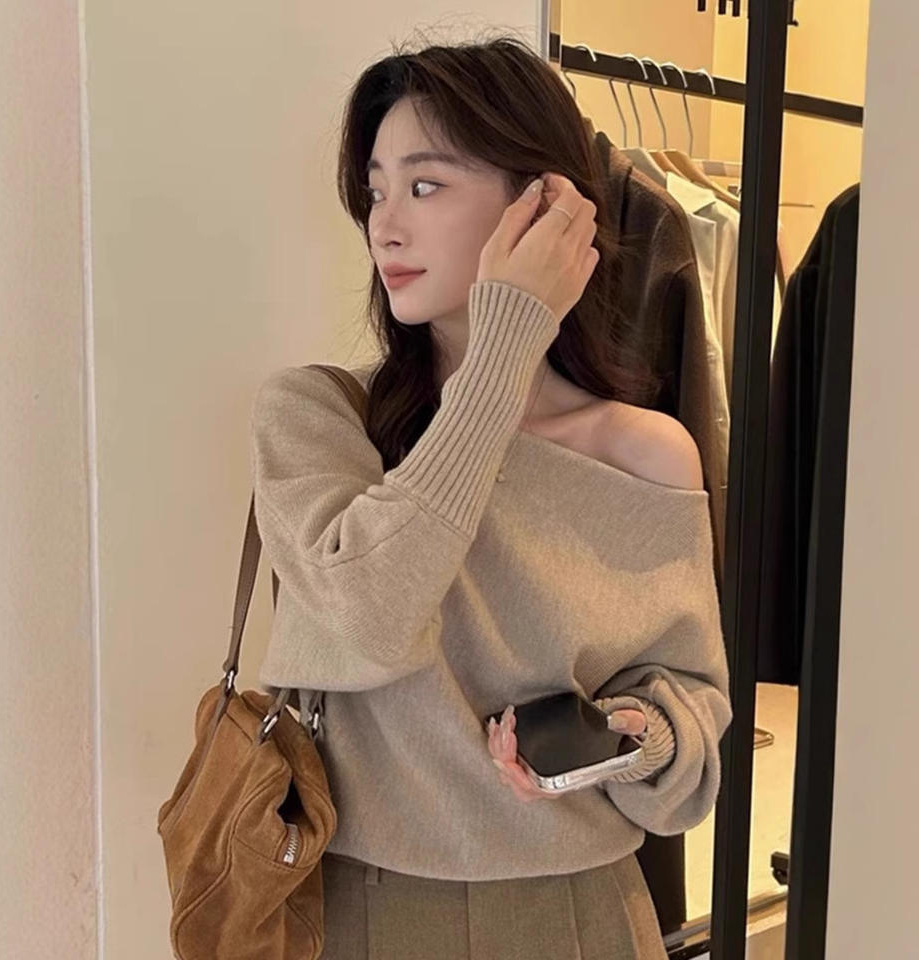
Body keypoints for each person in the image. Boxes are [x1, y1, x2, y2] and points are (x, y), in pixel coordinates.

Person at [250, 33, 732, 960]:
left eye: (425, 185)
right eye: (375, 191)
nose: (386, 226)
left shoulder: (643, 452)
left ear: (543, 208)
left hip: (580, 914)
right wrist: (505, 350)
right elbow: (367, 618)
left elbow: (692, 703)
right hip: (361, 913)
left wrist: (639, 732)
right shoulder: (319, 419)